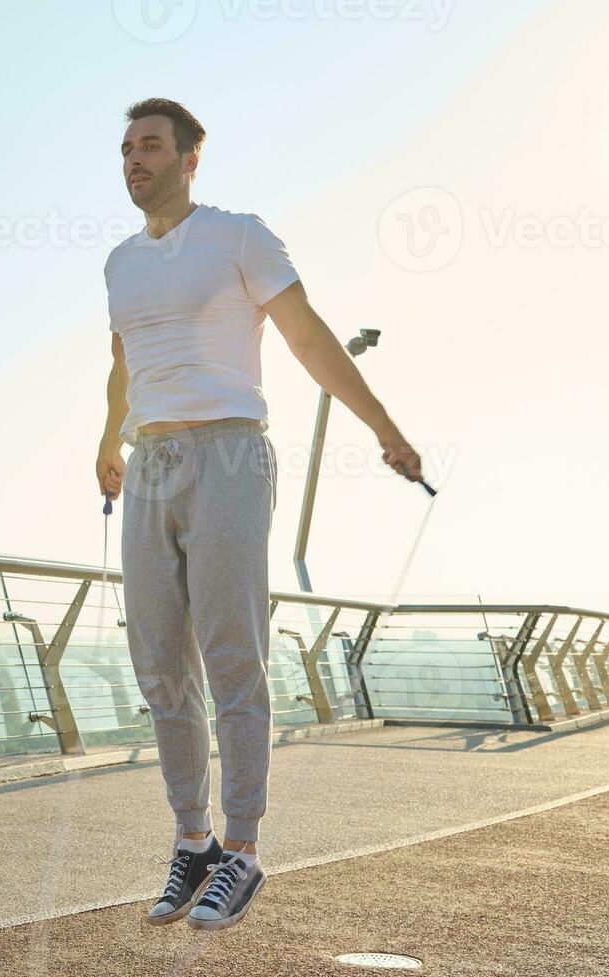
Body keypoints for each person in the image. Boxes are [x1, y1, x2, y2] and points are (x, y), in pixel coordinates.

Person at [94, 98, 424, 931]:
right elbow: (122, 362)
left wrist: (383, 427)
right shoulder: (119, 263)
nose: (134, 159)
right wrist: (107, 443)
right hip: (149, 464)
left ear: (190, 158)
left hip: (229, 454)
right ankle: (191, 841)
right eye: (126, 147)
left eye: (151, 146)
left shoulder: (239, 235)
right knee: (160, 665)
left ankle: (240, 849)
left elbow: (309, 339)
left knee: (230, 652)